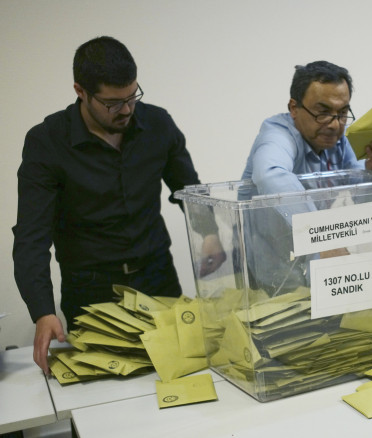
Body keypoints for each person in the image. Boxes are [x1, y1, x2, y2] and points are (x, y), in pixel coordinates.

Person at [12, 36, 224, 375]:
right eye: (113, 103)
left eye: (132, 97)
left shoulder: (158, 124)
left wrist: (209, 232)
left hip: (158, 280)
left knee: (181, 377)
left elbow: (189, 190)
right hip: (93, 291)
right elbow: (31, 236)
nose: (126, 109)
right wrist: (42, 311)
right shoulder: (47, 142)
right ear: (80, 91)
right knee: (104, 399)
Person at [241, 61, 372, 294]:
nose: (334, 124)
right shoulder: (277, 133)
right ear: (294, 108)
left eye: (342, 113)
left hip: (318, 266)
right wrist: (321, 239)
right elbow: (269, 174)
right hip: (272, 272)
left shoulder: (339, 141)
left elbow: (364, 202)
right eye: (322, 112)